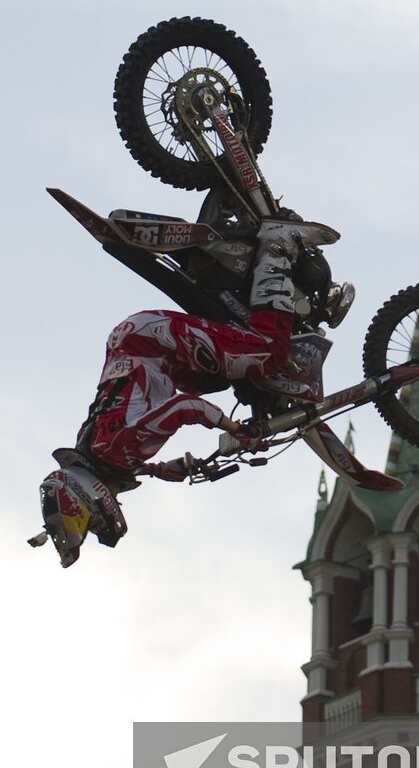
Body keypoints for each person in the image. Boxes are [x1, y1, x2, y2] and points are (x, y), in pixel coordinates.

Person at [31, 218, 329, 568]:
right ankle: (249, 287)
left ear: (85, 498)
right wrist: (166, 469)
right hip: (142, 345)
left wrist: (235, 431)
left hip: (153, 343)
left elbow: (185, 409)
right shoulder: (101, 453)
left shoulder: (119, 452)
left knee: (265, 354)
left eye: (91, 521)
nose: (102, 520)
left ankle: (278, 246)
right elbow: (143, 437)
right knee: (221, 378)